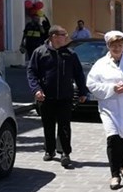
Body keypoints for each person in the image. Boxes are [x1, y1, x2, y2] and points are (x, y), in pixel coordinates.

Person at [85, 31, 123, 190]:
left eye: (120, 45)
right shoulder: (100, 64)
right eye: (113, 45)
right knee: (113, 138)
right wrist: (111, 88)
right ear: (108, 46)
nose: (117, 48)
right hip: (109, 107)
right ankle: (115, 174)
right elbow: (91, 84)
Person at [26, 25, 88, 168]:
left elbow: (78, 74)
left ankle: (65, 152)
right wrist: (36, 89)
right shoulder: (39, 52)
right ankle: (49, 150)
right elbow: (31, 73)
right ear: (53, 36)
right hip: (45, 96)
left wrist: (83, 92)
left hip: (65, 96)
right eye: (63, 34)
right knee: (48, 124)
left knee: (64, 125)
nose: (66, 37)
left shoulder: (70, 54)